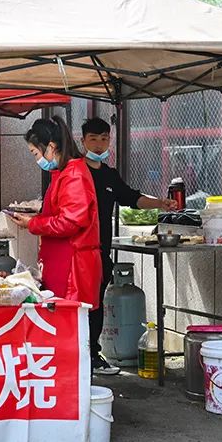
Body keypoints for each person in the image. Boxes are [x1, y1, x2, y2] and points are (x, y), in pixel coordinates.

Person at [81, 117, 178, 375]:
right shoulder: (76, 172)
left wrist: (161, 203)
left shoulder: (110, 175)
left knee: (97, 305)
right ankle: (76, 355)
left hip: (100, 252)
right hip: (78, 254)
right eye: (94, 139)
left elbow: (132, 198)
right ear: (83, 141)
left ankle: (92, 355)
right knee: (79, 307)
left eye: (104, 139)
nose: (100, 145)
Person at [10, 117, 101, 313]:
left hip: (72, 269)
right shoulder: (64, 173)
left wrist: (32, 223)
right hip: (62, 263)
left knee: (68, 325)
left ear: (50, 147)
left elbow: (68, 223)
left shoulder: (73, 174)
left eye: (35, 153)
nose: (37, 160)